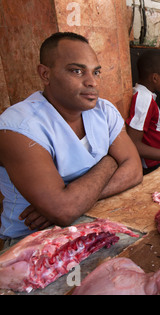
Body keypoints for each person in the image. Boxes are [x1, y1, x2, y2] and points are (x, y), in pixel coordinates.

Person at [0, 32, 143, 247]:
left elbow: (134, 171)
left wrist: (77, 201)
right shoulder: (19, 127)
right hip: (31, 242)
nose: (92, 82)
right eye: (77, 71)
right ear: (45, 74)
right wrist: (111, 161)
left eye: (96, 72)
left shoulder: (103, 111)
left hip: (93, 219)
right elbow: (64, 211)